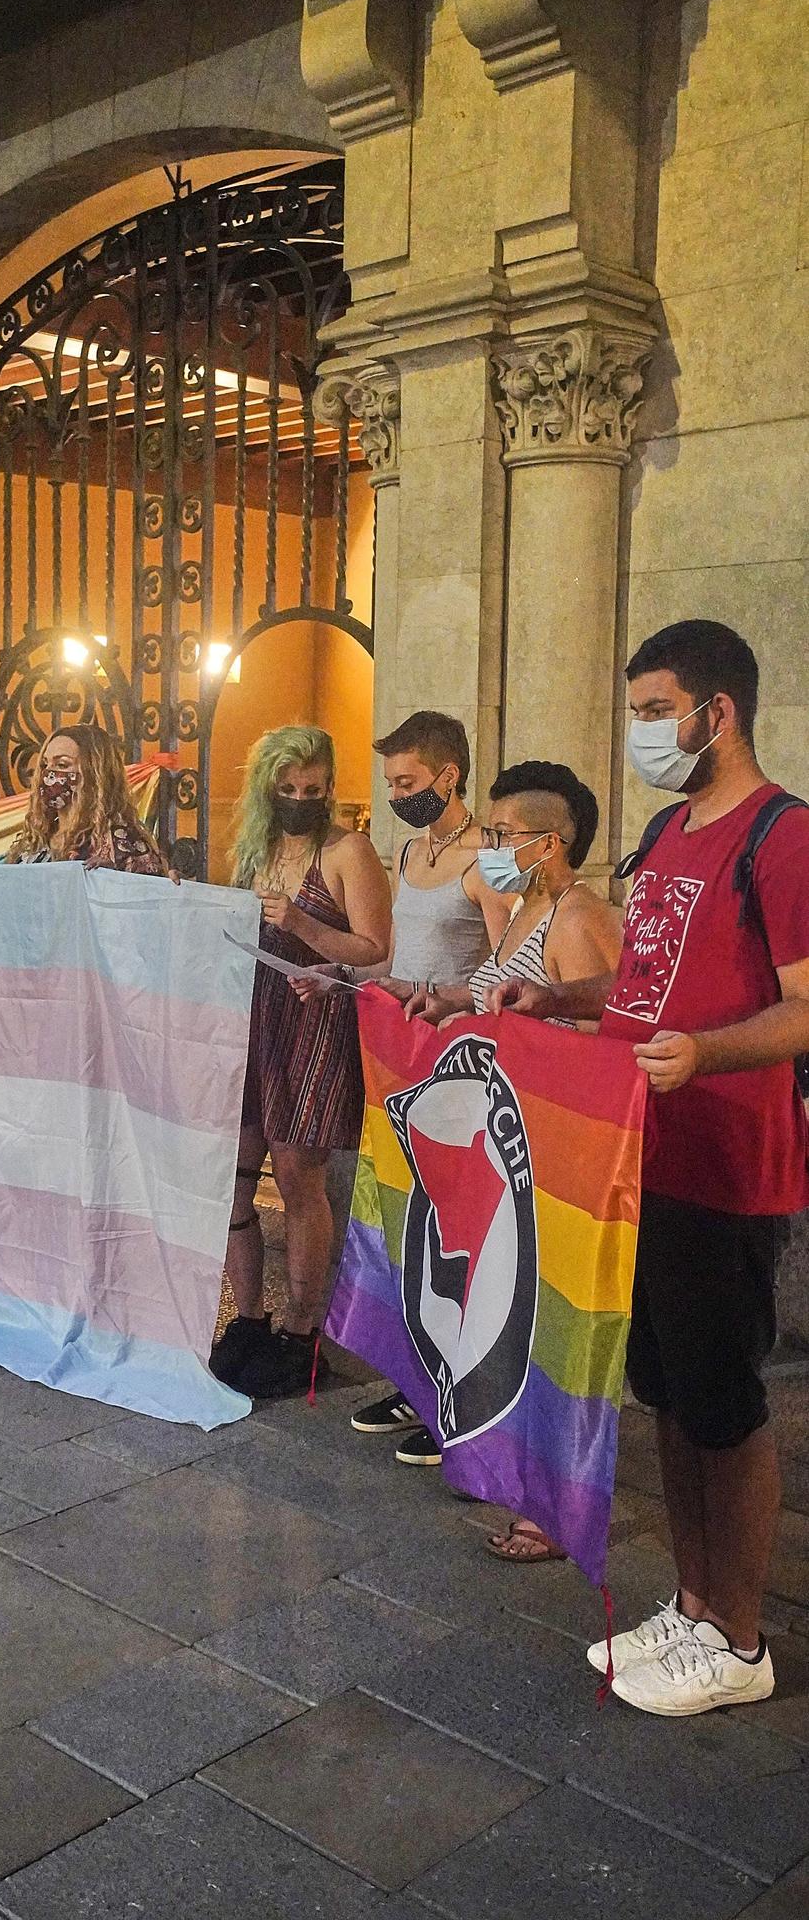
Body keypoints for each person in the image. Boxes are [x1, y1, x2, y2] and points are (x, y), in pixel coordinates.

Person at [491, 622, 809, 1713]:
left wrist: (706, 1053)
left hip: (726, 1160)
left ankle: (739, 1631)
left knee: (722, 1398)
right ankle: (688, 1597)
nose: (638, 733)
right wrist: (559, 999)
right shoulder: (669, 828)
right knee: (664, 1388)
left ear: (714, 712)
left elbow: (802, 1007)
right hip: (642, 1153)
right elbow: (642, 985)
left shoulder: (781, 836)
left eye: (651, 710)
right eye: (632, 712)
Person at [402, 758, 622, 1557]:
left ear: (549, 842)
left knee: (554, 1328)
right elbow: (499, 989)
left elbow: (613, 1031)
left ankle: (557, 1501)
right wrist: (450, 1002)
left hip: (558, 1153)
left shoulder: (581, 916)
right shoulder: (530, 908)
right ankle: (514, 1466)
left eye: (501, 834)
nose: (488, 845)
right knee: (513, 1320)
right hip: (511, 1146)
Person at [317, 712, 509, 1467]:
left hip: (458, 1063)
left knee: (450, 1232)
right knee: (402, 1222)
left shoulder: (488, 857)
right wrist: (345, 978)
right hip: (400, 1056)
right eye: (390, 781)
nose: (396, 793)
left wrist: (433, 991)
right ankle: (414, 1376)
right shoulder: (407, 848)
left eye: (407, 781)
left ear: (448, 775)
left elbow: (507, 965)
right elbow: (396, 950)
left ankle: (455, 1396)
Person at [211, 725, 391, 1400]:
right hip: (255, 1017)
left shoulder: (348, 850)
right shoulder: (256, 847)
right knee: (235, 1172)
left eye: (312, 789)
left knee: (297, 1177)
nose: (298, 799)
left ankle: (300, 1330)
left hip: (315, 1018)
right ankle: (250, 1318)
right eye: (286, 788)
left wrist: (304, 925)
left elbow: (374, 947)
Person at [6, 724, 170, 874]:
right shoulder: (36, 838)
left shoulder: (123, 842)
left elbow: (148, 896)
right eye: (44, 765)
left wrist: (112, 879)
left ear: (94, 773)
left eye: (62, 765)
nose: (48, 774)